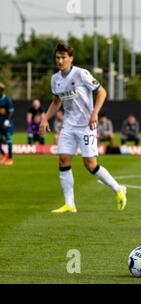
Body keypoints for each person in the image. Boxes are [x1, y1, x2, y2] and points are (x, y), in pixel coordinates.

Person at [39, 42, 127, 213]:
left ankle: (118, 189)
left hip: (87, 126)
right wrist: (45, 118)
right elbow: (56, 102)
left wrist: (95, 112)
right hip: (69, 126)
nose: (60, 61)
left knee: (90, 164)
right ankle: (69, 204)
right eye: (57, 58)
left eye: (63, 57)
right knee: (63, 160)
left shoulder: (81, 74)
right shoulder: (55, 79)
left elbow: (102, 92)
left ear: (71, 59)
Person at [0, 82, 14, 166]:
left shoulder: (7, 100)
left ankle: (10, 158)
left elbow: (11, 112)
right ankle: (4, 154)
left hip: (7, 123)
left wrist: (7, 121)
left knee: (8, 140)